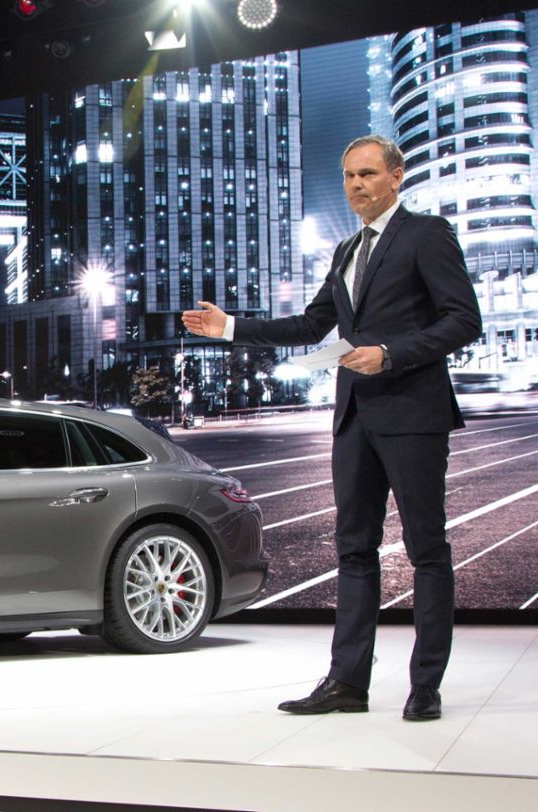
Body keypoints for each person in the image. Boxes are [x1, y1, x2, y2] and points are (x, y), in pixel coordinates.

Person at [182, 134, 481, 721]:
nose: (356, 186)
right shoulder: (346, 250)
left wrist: (390, 353)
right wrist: (230, 328)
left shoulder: (427, 234)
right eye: (348, 177)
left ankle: (425, 685)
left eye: (367, 174)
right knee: (354, 551)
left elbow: (463, 320)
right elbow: (311, 324)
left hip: (413, 413)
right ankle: (348, 682)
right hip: (354, 418)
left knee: (426, 551)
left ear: (397, 176)